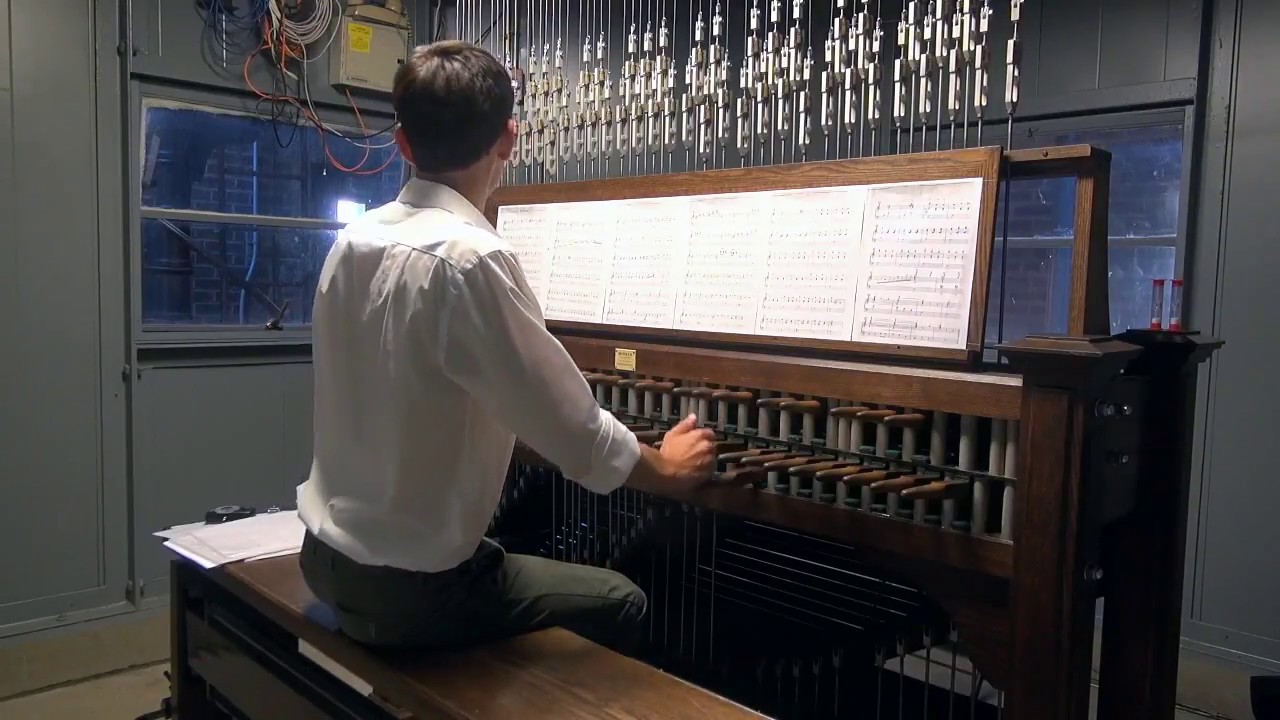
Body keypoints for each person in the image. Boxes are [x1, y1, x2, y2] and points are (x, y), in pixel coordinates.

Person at [296, 41, 717, 654]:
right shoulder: (474, 259)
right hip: (410, 592)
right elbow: (579, 435)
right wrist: (671, 470)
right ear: (510, 139)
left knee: (505, 546)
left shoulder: (354, 240)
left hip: (325, 556)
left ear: (404, 144)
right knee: (622, 600)